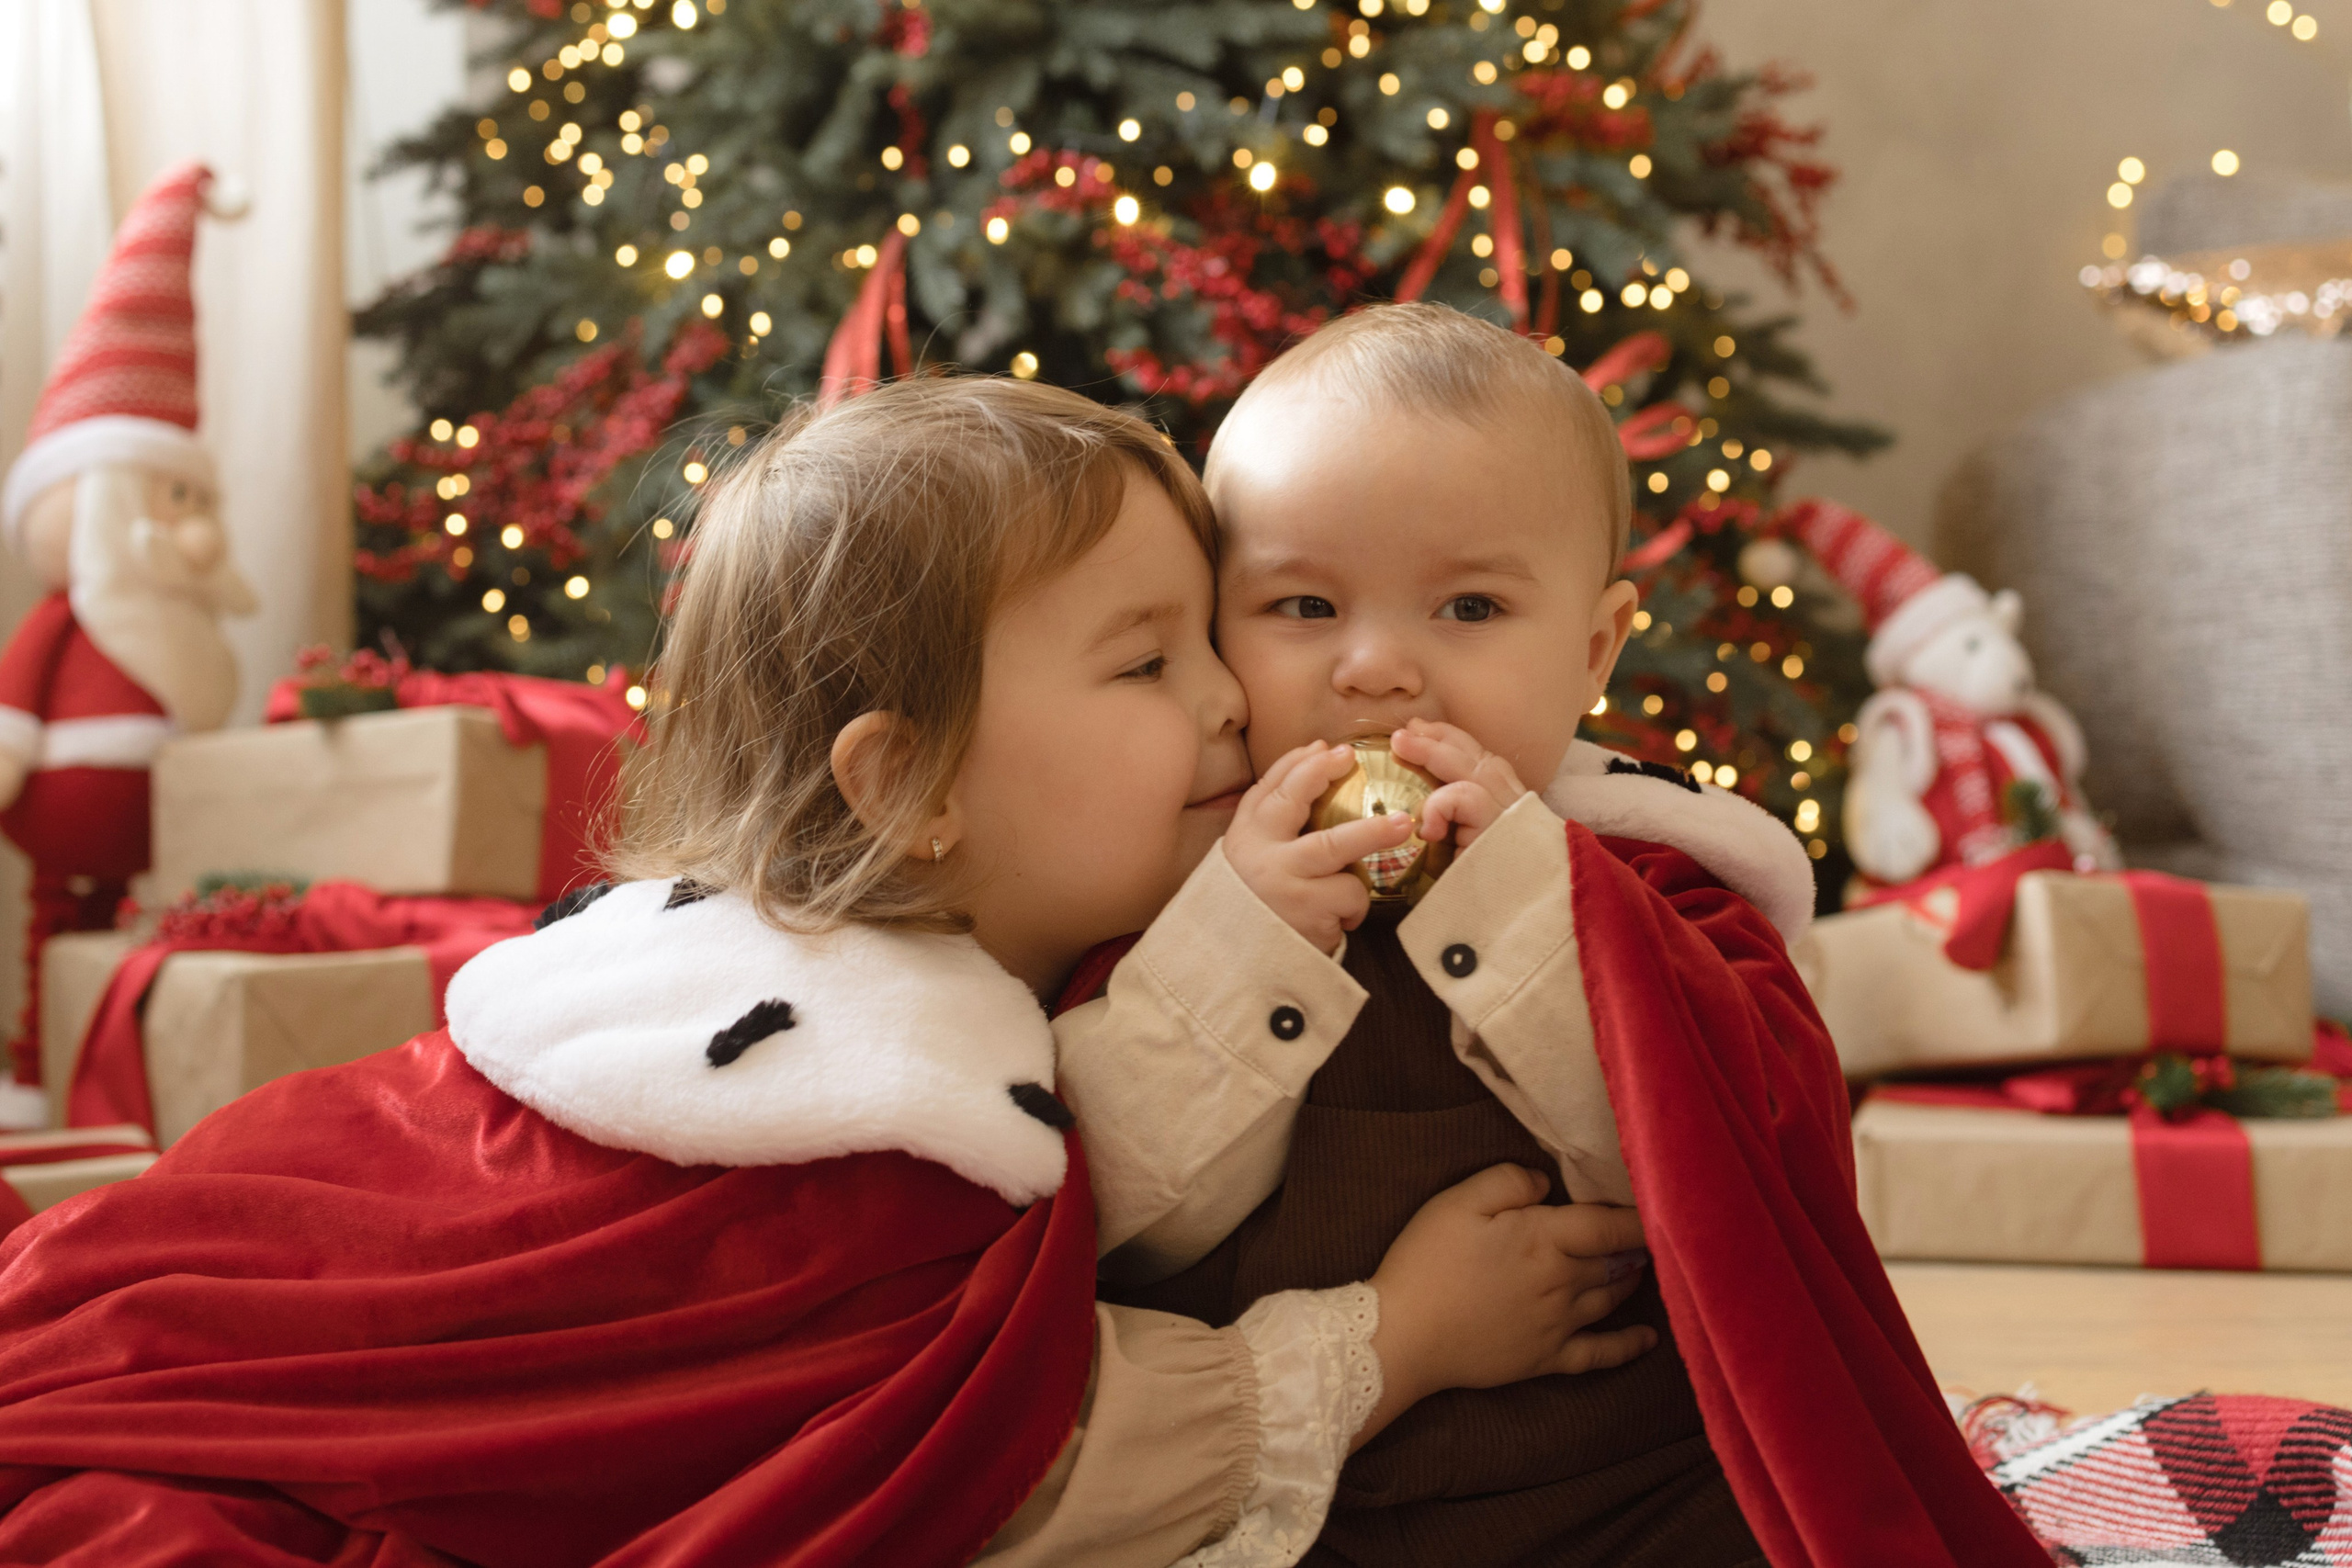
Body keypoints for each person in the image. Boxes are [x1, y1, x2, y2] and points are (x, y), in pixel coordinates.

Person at [0, 376, 1648, 1567]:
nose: (1239, 701)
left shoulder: (991, 950)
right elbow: (1013, 1473)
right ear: (909, 787)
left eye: (1217, 632)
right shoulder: (860, 1125)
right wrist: (1394, 1340)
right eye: (1152, 659)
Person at [1056, 304, 2052, 1567]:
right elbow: (1113, 1218)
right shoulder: (1168, 893)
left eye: (1468, 609)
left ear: (1592, 651)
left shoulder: (1665, 886)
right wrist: (1241, 945)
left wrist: (1522, 900)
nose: (1375, 668)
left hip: (1628, 1496)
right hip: (1303, 1514)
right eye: (1302, 605)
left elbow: (1732, 1171)